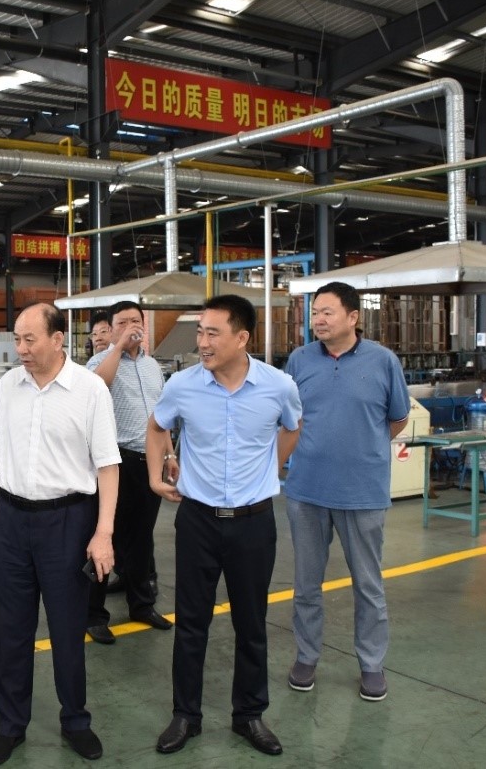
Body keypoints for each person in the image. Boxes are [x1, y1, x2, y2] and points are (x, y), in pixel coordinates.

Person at [0, 302, 119, 767]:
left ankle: (76, 720)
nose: (21, 349)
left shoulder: (89, 389)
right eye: (17, 339)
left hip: (68, 520)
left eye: (29, 339)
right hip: (12, 518)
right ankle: (10, 724)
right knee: (10, 628)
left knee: (68, 626)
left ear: (58, 339)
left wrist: (104, 532)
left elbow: (107, 465)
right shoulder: (10, 384)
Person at [146, 294, 301, 757]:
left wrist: (269, 469)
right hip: (197, 520)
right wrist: (155, 474)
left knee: (251, 623)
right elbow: (157, 426)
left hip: (254, 524)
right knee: (191, 623)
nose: (202, 342)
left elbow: (293, 427)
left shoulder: (278, 386)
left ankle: (249, 715)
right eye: (200, 332)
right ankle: (185, 716)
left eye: (213, 333)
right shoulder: (183, 385)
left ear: (242, 337)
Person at [283, 281, 409, 703]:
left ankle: (372, 664)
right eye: (314, 312)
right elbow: (288, 418)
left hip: (363, 492)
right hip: (306, 490)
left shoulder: (383, 361)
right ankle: (306, 656)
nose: (317, 319)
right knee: (306, 584)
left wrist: (362, 448)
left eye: (327, 312)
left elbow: (397, 419)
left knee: (368, 585)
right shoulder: (299, 360)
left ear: (353, 317)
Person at [85, 300, 171, 645]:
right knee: (104, 538)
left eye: (136, 321)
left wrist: (169, 453)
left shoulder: (152, 367)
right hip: (114, 463)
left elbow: (161, 415)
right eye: (122, 323)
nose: (130, 327)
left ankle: (141, 605)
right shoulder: (98, 362)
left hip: (149, 461)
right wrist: (118, 348)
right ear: (111, 329)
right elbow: (96, 387)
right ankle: (93, 614)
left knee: (141, 540)